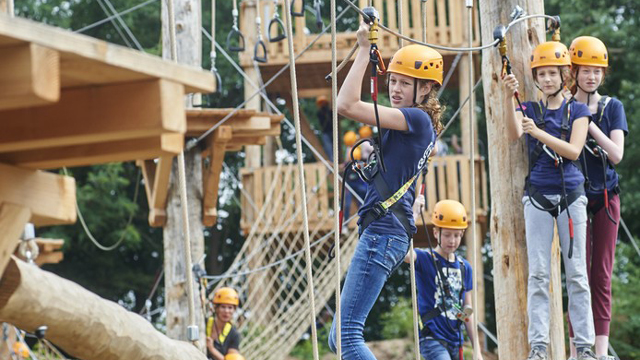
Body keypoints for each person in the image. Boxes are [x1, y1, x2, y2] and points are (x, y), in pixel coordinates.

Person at [327, 17, 443, 360]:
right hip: (385, 232)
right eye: (392, 80)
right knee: (337, 338)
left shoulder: (417, 120)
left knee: (348, 337)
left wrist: (363, 51)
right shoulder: (412, 125)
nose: (395, 89)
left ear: (424, 89)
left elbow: (346, 106)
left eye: (405, 83)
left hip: (383, 233)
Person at [502, 40, 596, 360]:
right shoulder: (529, 109)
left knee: (577, 274)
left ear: (564, 76)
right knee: (539, 274)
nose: (546, 80)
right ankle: (538, 346)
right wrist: (508, 95)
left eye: (553, 74)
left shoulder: (578, 110)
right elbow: (514, 132)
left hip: (571, 196)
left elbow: (573, 151)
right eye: (541, 74)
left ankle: (584, 347)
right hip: (538, 196)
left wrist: (538, 133)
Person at [566, 36, 627, 360]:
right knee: (577, 275)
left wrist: (587, 125)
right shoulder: (564, 107)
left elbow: (616, 154)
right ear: (574, 71)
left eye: (597, 71)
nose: (591, 77)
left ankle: (599, 351)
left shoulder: (611, 107)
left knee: (600, 274)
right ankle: (578, 349)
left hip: (604, 197)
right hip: (573, 198)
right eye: (586, 70)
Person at [405, 198, 483, 360]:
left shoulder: (464, 267)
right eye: (447, 235)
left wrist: (478, 350)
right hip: (432, 339)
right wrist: (413, 216)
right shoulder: (424, 259)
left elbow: (467, 311)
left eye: (457, 235)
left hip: (456, 341)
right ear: (435, 232)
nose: (452, 240)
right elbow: (403, 252)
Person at [206, 287, 242, 360]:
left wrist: (212, 349)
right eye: (223, 307)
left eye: (230, 308)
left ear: (234, 310)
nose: (226, 311)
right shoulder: (204, 323)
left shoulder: (234, 334)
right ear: (216, 308)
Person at [316, 95, 334, 161]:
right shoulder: (319, 113)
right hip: (325, 132)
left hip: (332, 131)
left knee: (334, 146)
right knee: (328, 147)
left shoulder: (330, 112)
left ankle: (335, 160)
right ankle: (332, 160)